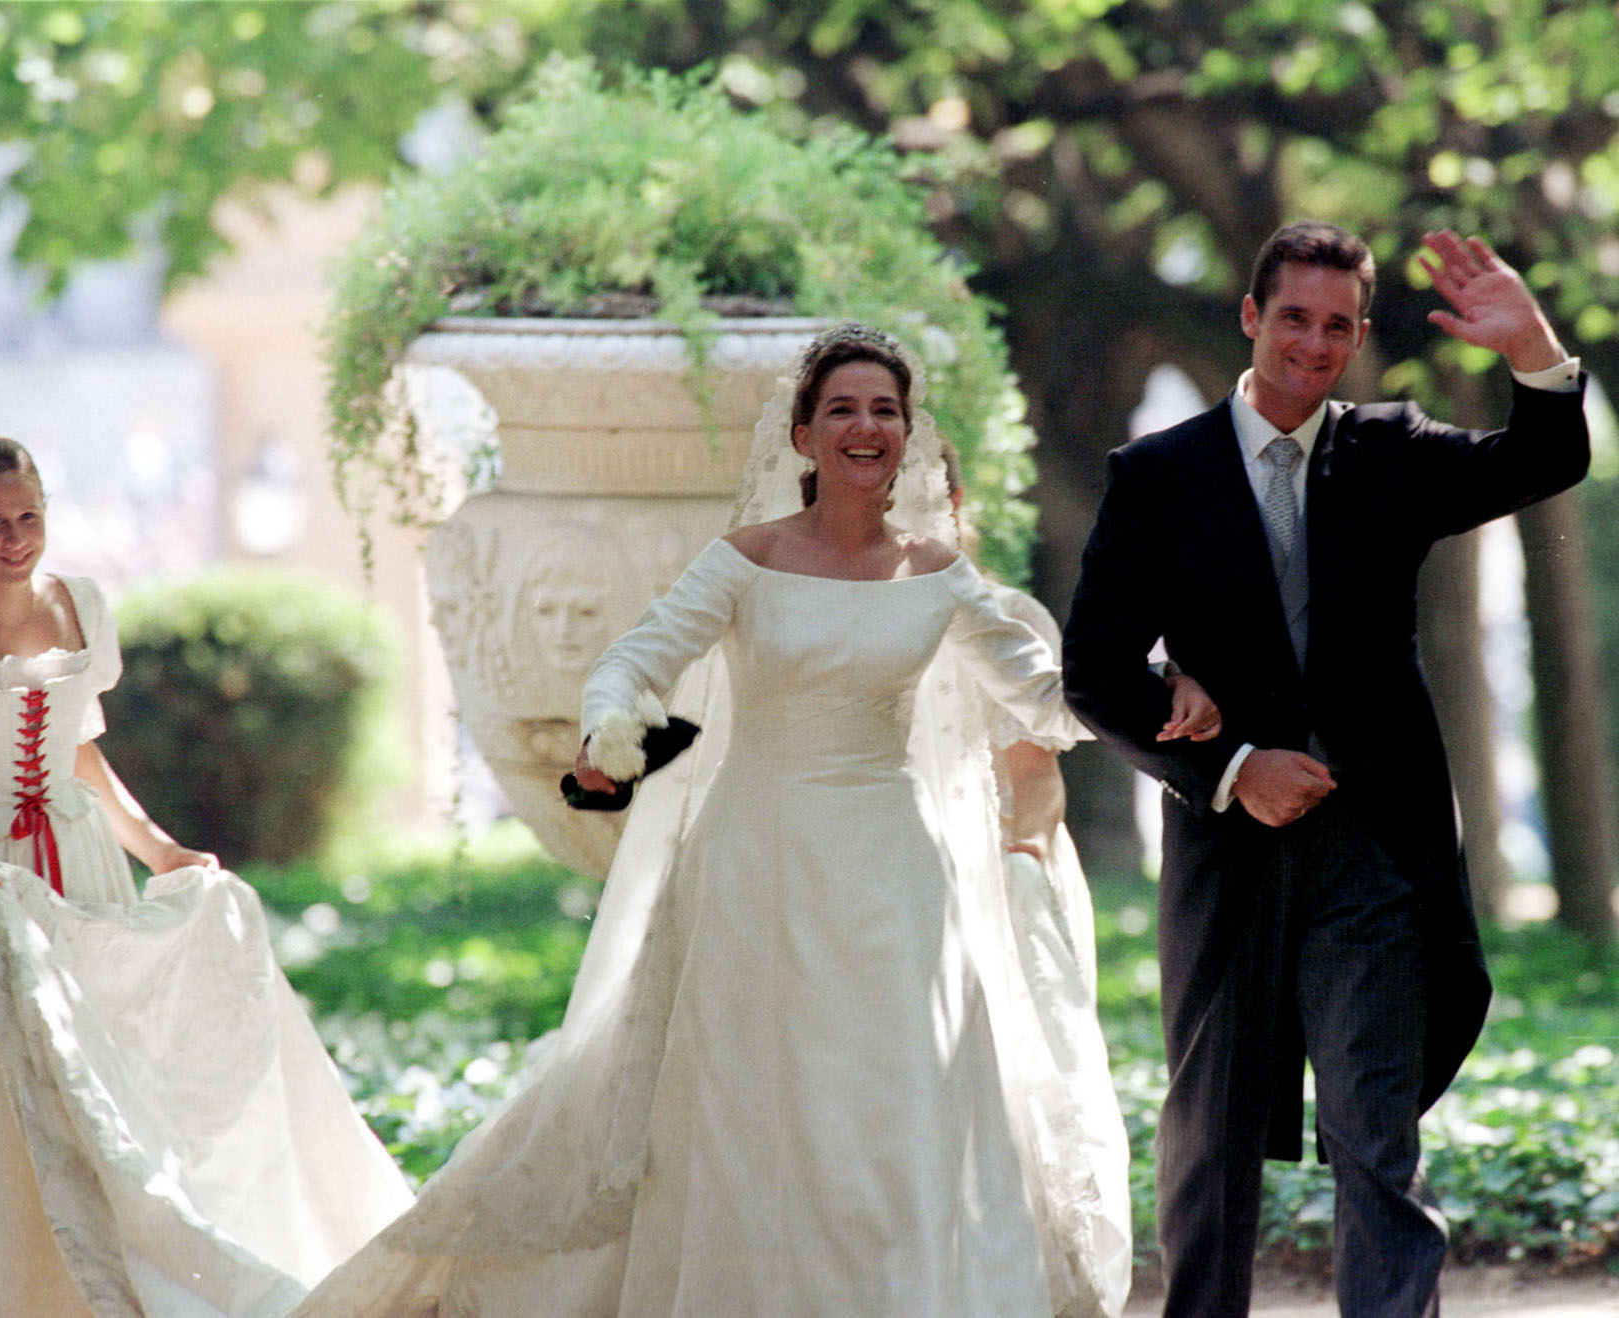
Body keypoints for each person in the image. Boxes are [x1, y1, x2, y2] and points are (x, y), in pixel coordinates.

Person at [296, 323, 1217, 1317]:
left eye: (885, 410)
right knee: (756, 1108)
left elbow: (1044, 698)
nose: (866, 427)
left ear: (909, 434)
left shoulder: (939, 574)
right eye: (843, 409)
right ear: (803, 434)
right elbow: (631, 663)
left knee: (893, 1101)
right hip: (757, 858)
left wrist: (1163, 686)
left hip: (893, 870)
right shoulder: (743, 561)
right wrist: (611, 727)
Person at [1061, 224, 1590, 1316]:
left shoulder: (1390, 450)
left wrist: (1532, 348)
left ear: (1355, 340)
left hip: (1374, 859)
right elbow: (1094, 668)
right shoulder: (1158, 477)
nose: (1314, 341)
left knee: (1374, 1141)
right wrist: (1232, 765)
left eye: (1337, 325)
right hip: (1227, 851)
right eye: (1293, 316)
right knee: (1211, 1144)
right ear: (1252, 318)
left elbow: (1545, 460)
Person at [0, 435, 411, 1316]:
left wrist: (157, 847)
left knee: (102, 1092)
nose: (16, 538)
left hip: (74, 859)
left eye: (29, 517)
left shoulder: (81, 605)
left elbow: (80, 756)